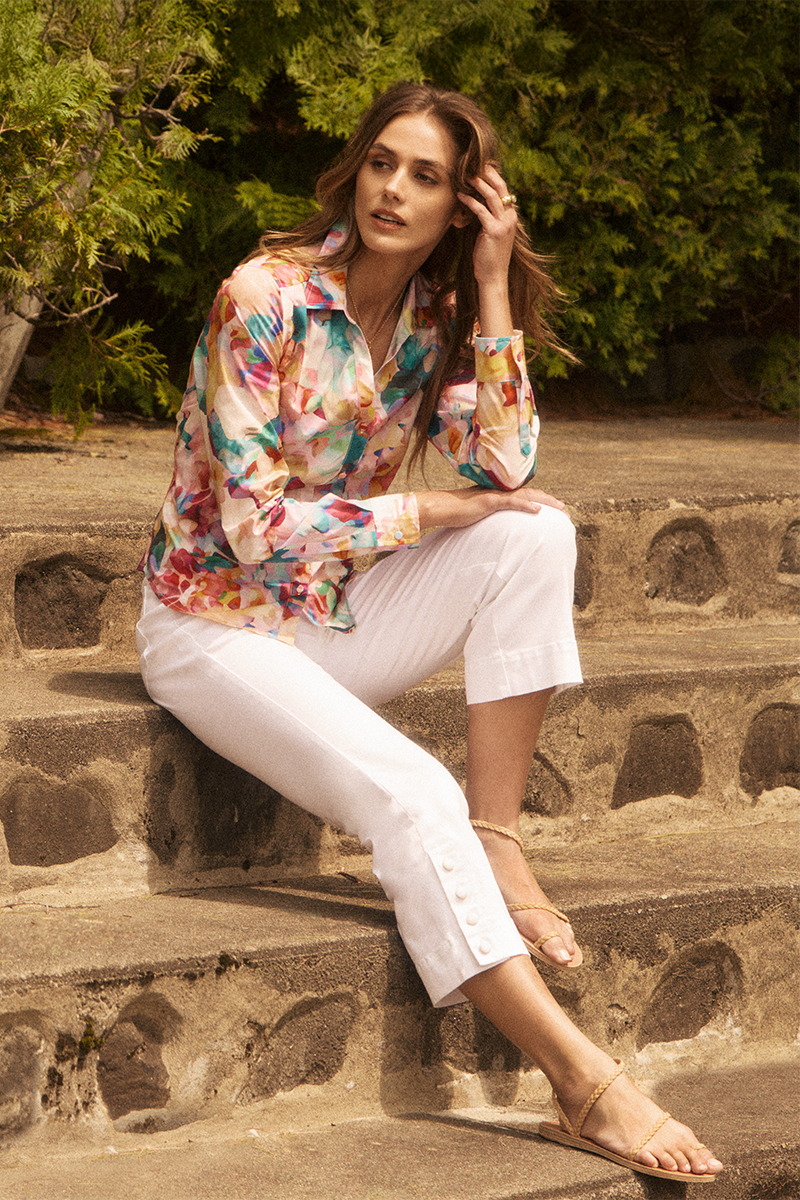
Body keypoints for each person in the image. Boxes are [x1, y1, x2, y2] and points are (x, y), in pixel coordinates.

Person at [136, 82, 723, 1183]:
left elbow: (505, 472)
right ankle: (584, 1084)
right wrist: (432, 511)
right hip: (210, 625)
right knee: (412, 796)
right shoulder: (258, 298)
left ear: (461, 204)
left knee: (537, 536)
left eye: (425, 176)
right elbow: (256, 528)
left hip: (327, 611)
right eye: (381, 164)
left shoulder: (433, 323)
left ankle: (495, 836)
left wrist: (492, 285)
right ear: (353, 170)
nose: (392, 191)